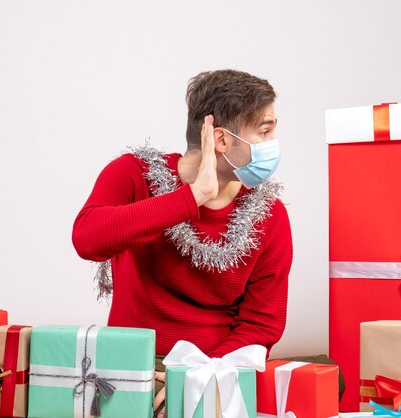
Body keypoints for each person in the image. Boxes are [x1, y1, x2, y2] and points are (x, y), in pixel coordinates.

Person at [72, 69, 293, 418]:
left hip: (217, 368)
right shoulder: (133, 174)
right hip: (131, 370)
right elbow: (88, 238)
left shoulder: (270, 216)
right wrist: (193, 197)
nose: (274, 142)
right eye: (265, 131)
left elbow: (262, 324)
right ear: (221, 140)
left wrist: (199, 378)